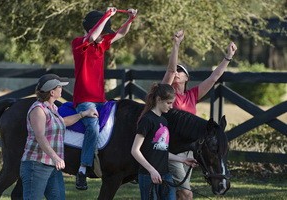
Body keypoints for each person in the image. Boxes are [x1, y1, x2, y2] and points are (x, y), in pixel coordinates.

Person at [162, 30, 237, 200]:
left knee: (180, 193)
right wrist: (176, 45)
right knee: (187, 194)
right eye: (176, 71)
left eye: (181, 71)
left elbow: (214, 77)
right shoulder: (166, 93)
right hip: (170, 148)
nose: (177, 73)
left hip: (188, 150)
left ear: (187, 78)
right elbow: (170, 69)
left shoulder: (192, 95)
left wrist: (228, 57)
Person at [72, 7, 138, 190]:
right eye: (103, 31)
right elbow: (92, 37)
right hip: (84, 100)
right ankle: (83, 169)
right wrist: (108, 16)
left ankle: (129, 166)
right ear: (94, 27)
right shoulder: (79, 43)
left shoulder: (101, 43)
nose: (105, 36)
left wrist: (131, 18)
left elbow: (122, 33)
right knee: (92, 128)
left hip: (101, 100)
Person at [20, 74, 98, 200]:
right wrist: (56, 157)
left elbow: (63, 122)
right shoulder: (38, 110)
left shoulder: (53, 107)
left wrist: (83, 114)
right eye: (60, 87)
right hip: (36, 165)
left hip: (52, 166)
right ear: (52, 92)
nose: (61, 89)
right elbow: (40, 136)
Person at [131, 83, 198, 200]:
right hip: (148, 176)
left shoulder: (164, 121)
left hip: (165, 175)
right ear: (158, 99)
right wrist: (152, 171)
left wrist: (183, 160)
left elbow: (162, 150)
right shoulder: (147, 120)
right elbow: (135, 150)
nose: (171, 107)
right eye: (169, 103)